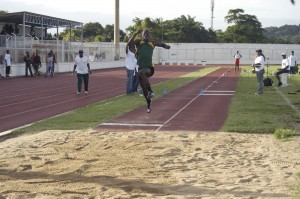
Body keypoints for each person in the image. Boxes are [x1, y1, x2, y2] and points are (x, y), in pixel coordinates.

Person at [130, 29, 170, 113]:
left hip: (149, 68)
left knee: (142, 73)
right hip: (140, 68)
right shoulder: (138, 42)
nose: (146, 37)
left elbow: (161, 44)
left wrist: (166, 46)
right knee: (144, 90)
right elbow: (130, 43)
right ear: (142, 36)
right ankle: (148, 104)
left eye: (148, 35)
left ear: (149, 36)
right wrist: (135, 34)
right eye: (145, 35)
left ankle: (150, 91)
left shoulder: (152, 42)